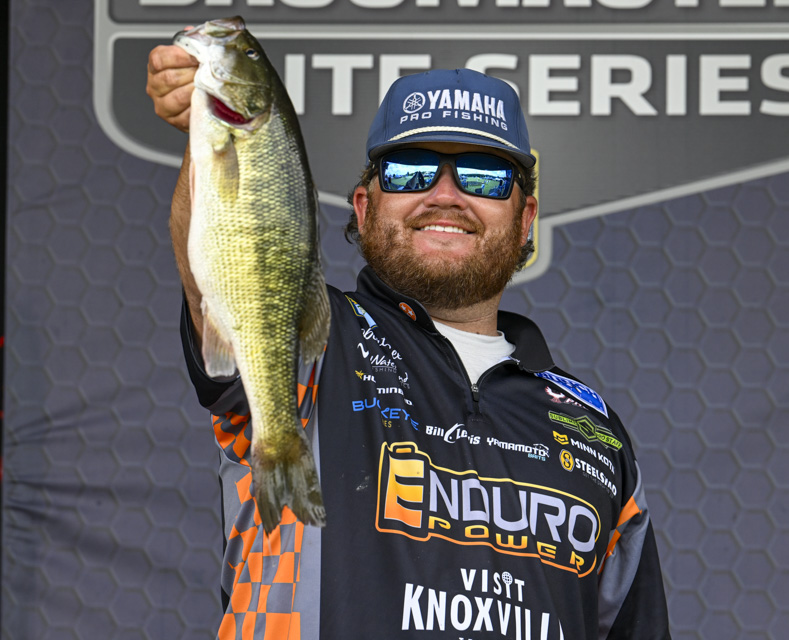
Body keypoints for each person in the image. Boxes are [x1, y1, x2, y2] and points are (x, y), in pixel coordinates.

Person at [147, 43, 671, 640]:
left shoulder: (596, 432)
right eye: (410, 170)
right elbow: (225, 252)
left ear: (525, 218)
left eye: (483, 175)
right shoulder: (311, 341)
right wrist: (213, 131)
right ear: (365, 206)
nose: (445, 195)